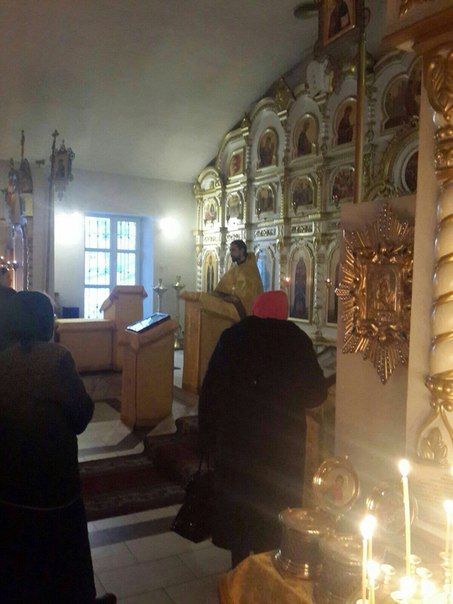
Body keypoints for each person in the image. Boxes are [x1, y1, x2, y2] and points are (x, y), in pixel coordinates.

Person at [0, 291, 116, 603]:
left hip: (9, 487)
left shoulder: (3, 360)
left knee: (20, 561)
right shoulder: (57, 359)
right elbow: (81, 416)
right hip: (54, 486)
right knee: (65, 559)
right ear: (44, 323)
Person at [198, 290, 327, 567]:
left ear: (256, 308)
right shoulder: (296, 341)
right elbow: (316, 393)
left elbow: (211, 391)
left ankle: (239, 573)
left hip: (237, 442)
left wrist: (207, 438)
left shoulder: (232, 338)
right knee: (273, 514)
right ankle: (269, 572)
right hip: (281, 448)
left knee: (239, 514)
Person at [215, 240, 264, 316]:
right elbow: (222, 287)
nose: (231, 253)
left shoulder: (250, 270)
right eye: (230, 250)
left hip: (247, 314)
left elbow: (247, 297)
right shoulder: (235, 268)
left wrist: (231, 298)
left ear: (242, 250)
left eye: (233, 250)